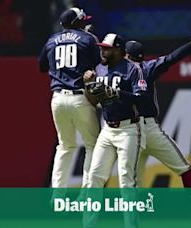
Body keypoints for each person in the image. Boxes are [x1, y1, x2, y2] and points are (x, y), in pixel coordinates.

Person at [125, 27, 191, 227]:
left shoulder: (117, 70)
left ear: (126, 55)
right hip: (150, 129)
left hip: (130, 131)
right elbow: (172, 58)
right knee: (184, 170)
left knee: (132, 183)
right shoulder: (148, 67)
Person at [83, 33, 146, 228]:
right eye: (101, 47)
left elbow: (140, 99)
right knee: (94, 178)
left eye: (106, 48)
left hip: (128, 128)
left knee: (127, 182)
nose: (102, 51)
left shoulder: (132, 69)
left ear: (118, 50)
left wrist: (117, 93)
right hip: (107, 129)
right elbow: (94, 101)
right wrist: (89, 86)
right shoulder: (100, 69)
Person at [38, 7, 101, 189]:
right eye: (82, 20)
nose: (85, 22)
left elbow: (42, 66)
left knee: (65, 146)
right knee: (92, 145)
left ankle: (58, 193)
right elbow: (100, 65)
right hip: (79, 97)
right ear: (76, 22)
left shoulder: (52, 40)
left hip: (57, 98)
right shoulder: (87, 39)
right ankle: (88, 192)